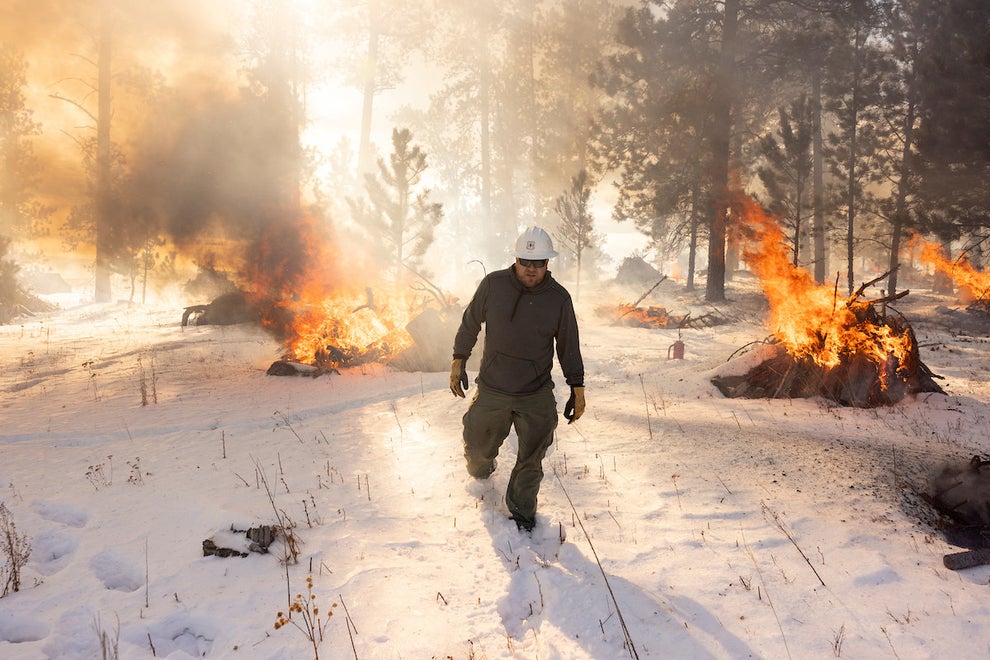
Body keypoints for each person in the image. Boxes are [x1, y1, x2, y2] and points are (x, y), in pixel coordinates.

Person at [450, 226, 586, 532]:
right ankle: (482, 469)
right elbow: (470, 323)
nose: (531, 269)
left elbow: (568, 346)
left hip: (534, 392)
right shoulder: (493, 285)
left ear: (548, 264)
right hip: (493, 388)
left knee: (532, 458)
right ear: (516, 258)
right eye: (526, 261)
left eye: (538, 263)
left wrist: (577, 387)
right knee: (476, 448)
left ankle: (522, 515)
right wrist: (458, 360)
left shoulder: (558, 299)